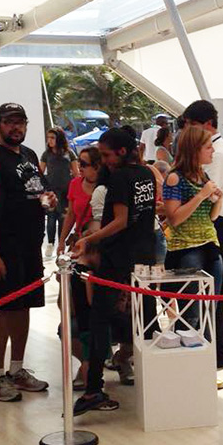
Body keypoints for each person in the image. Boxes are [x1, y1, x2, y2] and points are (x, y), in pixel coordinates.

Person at [73, 127, 156, 414]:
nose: (104, 161)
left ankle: (94, 388)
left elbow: (120, 221)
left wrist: (88, 240)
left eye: (107, 155)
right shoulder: (146, 174)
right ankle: (150, 381)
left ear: (121, 151)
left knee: (99, 320)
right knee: (144, 319)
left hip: (118, 258)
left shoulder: (120, 178)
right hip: (143, 256)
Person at [0, 103, 54, 403]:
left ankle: (17, 369)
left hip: (30, 244)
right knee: (4, 307)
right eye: (9, 122)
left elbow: (40, 191)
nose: (15, 127)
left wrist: (48, 199)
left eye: (20, 122)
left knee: (24, 306)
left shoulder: (30, 156)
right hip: (3, 245)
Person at [180, 100, 223, 371]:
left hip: (210, 226)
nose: (187, 131)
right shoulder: (213, 151)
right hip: (207, 224)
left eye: (192, 125)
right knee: (206, 292)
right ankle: (211, 349)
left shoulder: (216, 154)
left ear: (207, 124)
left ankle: (215, 350)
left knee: (210, 293)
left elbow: (204, 195)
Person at [161, 123, 223, 347]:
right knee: (191, 314)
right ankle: (188, 357)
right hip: (186, 250)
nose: (212, 150)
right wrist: (201, 196)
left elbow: (211, 217)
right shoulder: (174, 178)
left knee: (210, 311)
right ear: (194, 149)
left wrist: (218, 200)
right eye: (208, 147)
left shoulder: (202, 175)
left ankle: (206, 357)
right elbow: (174, 218)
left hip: (210, 245)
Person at [58, 145, 101, 391]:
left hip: (99, 250)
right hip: (81, 246)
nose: (80, 168)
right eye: (79, 164)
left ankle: (96, 362)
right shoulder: (75, 184)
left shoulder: (106, 186)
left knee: (94, 305)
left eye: (84, 164)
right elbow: (71, 214)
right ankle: (87, 361)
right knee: (71, 309)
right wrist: (62, 240)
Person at [41, 127, 77, 257]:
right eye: (48, 138)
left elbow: (76, 172)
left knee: (63, 218)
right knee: (51, 217)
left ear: (59, 139)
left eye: (52, 138)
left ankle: (60, 245)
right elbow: (40, 172)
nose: (49, 140)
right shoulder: (46, 154)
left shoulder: (69, 153)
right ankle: (50, 243)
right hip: (52, 190)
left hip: (66, 191)